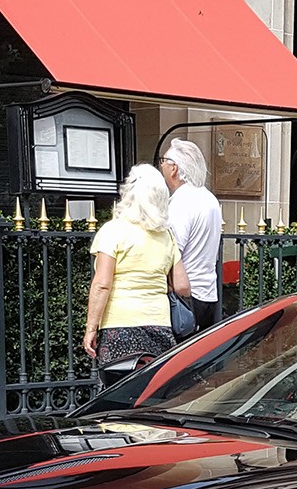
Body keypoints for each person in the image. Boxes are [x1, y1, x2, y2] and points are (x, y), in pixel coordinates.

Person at [85, 163, 191, 379]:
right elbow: (182, 286)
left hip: (118, 326)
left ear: (127, 194)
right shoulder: (166, 236)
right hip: (159, 324)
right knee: (154, 390)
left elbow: (102, 284)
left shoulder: (113, 230)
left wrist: (91, 329)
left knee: (118, 391)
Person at [159, 137, 223, 330]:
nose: (161, 166)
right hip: (208, 293)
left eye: (163, 161)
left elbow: (171, 252)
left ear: (174, 168)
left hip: (185, 296)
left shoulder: (181, 202)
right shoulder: (209, 198)